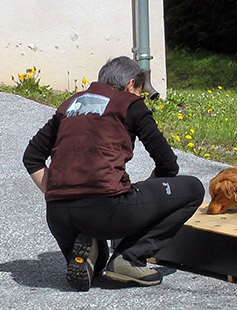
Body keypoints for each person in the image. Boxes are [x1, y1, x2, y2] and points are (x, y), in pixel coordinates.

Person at [23, 56, 205, 291]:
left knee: (96, 268)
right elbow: (168, 165)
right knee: (192, 189)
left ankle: (90, 249)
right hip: (106, 209)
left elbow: (31, 157)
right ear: (130, 85)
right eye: (140, 91)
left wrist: (61, 195)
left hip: (58, 216)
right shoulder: (128, 103)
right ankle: (129, 258)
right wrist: (144, 196)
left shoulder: (69, 105)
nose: (139, 97)